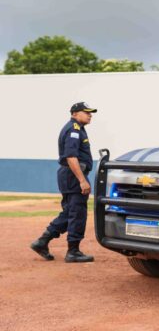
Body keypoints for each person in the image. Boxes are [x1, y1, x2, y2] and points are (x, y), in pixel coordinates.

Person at [30, 102, 97, 263]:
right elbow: (71, 157)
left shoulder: (77, 129)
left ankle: (42, 242)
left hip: (70, 175)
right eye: (86, 112)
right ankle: (73, 252)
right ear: (74, 113)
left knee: (70, 212)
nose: (90, 115)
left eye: (91, 113)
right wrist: (82, 180)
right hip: (74, 175)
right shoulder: (74, 129)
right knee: (77, 212)